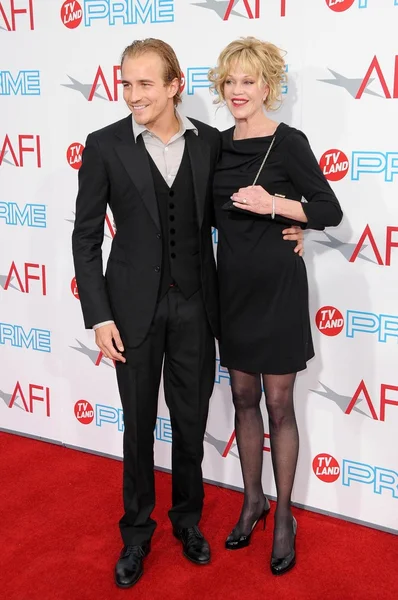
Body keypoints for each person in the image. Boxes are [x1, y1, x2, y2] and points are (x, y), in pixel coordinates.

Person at [72, 38, 304, 588]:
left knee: (190, 423)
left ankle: (187, 522)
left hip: (198, 307)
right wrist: (99, 316)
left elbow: (245, 202)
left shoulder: (209, 146)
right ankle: (135, 535)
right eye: (126, 83)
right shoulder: (104, 145)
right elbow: (85, 239)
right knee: (136, 428)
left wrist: (292, 227)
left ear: (175, 85)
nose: (132, 95)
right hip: (129, 314)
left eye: (145, 84)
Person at [209, 37, 343, 576]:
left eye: (249, 80)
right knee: (242, 396)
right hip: (232, 292)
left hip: (279, 293)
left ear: (269, 87)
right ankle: (252, 501)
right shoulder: (214, 146)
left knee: (279, 403)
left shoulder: (289, 142)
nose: (239, 90)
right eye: (231, 81)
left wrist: (279, 206)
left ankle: (284, 514)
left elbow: (328, 209)